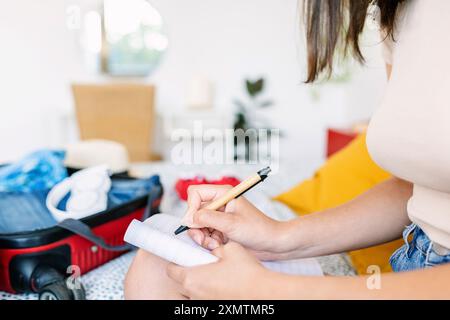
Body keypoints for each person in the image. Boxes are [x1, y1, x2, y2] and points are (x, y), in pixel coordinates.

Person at [124, 0, 450, 299]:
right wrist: (278, 238)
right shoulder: (398, 13)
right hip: (413, 257)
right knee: (158, 265)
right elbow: (416, 188)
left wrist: (269, 290)